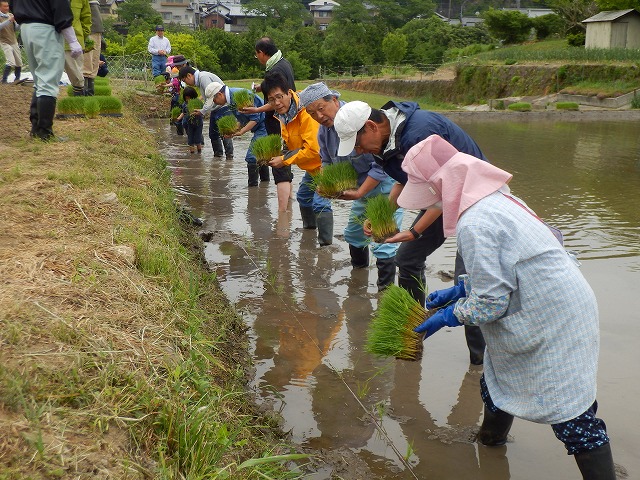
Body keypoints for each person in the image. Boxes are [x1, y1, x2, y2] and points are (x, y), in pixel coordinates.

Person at [396, 134, 616, 480]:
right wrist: (460, 289)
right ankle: (491, 443)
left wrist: (452, 314)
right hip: (545, 300)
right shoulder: (496, 197)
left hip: (554, 318)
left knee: (571, 413)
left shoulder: (476, 222)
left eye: (432, 191)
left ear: (444, 185)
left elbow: (491, 303)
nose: (432, 199)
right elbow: (508, 269)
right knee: (496, 383)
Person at [334, 99, 487, 365]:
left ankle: (481, 361)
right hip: (444, 199)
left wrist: (415, 232)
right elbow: (405, 180)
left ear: (370, 126)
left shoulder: (419, 135)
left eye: (357, 144)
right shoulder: (387, 141)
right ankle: (414, 331)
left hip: (476, 202)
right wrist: (380, 212)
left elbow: (445, 191)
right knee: (407, 259)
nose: (359, 151)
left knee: (469, 282)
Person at [299, 82, 402, 289]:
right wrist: (327, 183)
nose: (318, 116)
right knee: (354, 235)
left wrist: (359, 192)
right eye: (311, 113)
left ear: (334, 100)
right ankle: (358, 281)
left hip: (385, 186)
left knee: (382, 239)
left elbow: (383, 164)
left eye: (321, 108)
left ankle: (385, 293)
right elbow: (327, 161)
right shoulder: (324, 132)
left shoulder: (359, 121)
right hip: (360, 190)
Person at [261, 71, 333, 246]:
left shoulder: (307, 112)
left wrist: (284, 160)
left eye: (279, 97)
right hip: (311, 168)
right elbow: (290, 143)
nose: (276, 103)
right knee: (303, 197)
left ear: (288, 92)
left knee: (319, 202)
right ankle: (309, 234)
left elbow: (313, 149)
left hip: (325, 164)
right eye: (271, 100)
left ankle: (325, 247)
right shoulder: (283, 115)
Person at [10, 0, 82, 140]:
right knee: (48, 79)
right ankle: (45, 132)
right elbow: (61, 8)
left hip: (26, 29)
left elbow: (12, 5)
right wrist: (72, 40)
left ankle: (36, 128)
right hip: (45, 29)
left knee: (39, 80)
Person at [205, 81, 272, 188]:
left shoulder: (238, 96)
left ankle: (253, 193)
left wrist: (241, 132)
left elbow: (255, 119)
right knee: (260, 156)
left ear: (220, 94)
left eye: (214, 100)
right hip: (261, 125)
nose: (215, 103)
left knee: (251, 157)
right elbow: (244, 119)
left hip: (266, 125)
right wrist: (234, 131)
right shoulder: (231, 100)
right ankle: (265, 188)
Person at [178, 65, 233, 160]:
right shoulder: (201, 80)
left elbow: (211, 97)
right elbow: (207, 97)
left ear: (189, 75)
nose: (186, 83)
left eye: (184, 80)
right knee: (213, 134)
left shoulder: (203, 78)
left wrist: (202, 111)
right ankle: (218, 157)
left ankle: (229, 158)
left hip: (223, 107)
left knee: (225, 132)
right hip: (215, 108)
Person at [252, 37, 296, 136]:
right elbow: (280, 86)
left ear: (261, 53)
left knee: (281, 150)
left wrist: (256, 110)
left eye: (256, 54)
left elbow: (278, 100)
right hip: (287, 118)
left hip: (280, 121)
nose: (257, 57)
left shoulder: (276, 70)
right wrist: (262, 86)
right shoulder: (283, 62)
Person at [64, 0, 91, 96]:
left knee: (77, 75)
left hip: (75, 41)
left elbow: (86, 19)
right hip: (55, 39)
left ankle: (79, 99)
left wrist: (82, 36)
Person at [81, 0, 102, 96]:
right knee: (87, 62)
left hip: (97, 28)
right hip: (87, 29)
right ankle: (84, 93)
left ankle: (90, 93)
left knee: (94, 61)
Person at [0, 0, 23, 84]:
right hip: (4, 41)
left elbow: (15, 29)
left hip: (13, 41)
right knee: (10, 61)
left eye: (7, 6)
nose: (7, 8)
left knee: (19, 62)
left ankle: (17, 79)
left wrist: (20, 22)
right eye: (4, 6)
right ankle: (4, 80)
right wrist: (8, 21)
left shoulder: (10, 15)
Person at [176, 86, 203, 154]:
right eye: (186, 98)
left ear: (193, 96)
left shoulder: (198, 103)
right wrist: (178, 118)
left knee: (198, 138)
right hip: (189, 124)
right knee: (190, 139)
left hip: (198, 124)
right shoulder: (184, 104)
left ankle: (199, 153)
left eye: (189, 97)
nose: (188, 99)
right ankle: (192, 154)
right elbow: (183, 112)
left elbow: (203, 112)